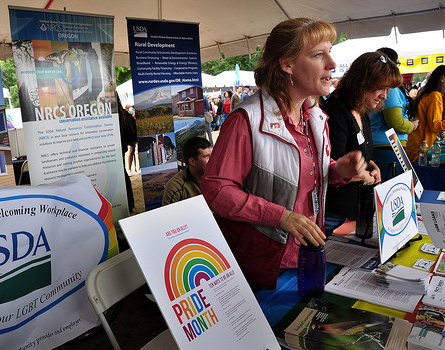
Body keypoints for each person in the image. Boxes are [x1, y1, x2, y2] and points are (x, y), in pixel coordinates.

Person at [201, 18, 366, 290]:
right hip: (264, 262)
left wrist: (339, 171)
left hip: (307, 252)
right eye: (318, 55)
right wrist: (282, 217)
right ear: (287, 64)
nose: (332, 64)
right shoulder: (247, 120)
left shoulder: (314, 116)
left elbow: (301, 176)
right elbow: (217, 191)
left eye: (330, 51)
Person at [322, 52, 401, 234]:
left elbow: (364, 153)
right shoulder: (335, 111)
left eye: (387, 91)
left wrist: (373, 166)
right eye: (381, 89)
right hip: (334, 213)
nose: (384, 96)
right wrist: (363, 175)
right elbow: (332, 166)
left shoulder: (361, 111)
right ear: (362, 83)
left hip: (353, 211)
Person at [369, 48, 419, 179]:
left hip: (384, 146)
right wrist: (412, 126)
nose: (384, 96)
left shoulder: (385, 87)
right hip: (387, 147)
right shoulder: (391, 87)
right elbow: (395, 121)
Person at [406, 65, 445, 162]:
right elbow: (435, 125)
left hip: (419, 145)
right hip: (422, 148)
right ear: (442, 78)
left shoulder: (430, 94)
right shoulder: (435, 96)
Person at [162, 137, 212, 205]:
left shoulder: (219, 177)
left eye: (212, 155)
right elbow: (168, 214)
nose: (212, 159)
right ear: (192, 162)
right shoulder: (175, 186)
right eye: (206, 156)